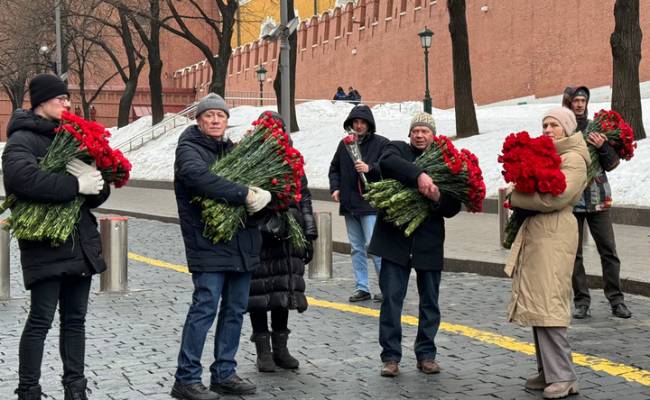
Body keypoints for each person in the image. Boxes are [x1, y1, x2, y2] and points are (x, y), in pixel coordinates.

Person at [2, 73, 109, 400]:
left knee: (75, 321)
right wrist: (75, 185)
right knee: (41, 320)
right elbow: (23, 180)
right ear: (41, 102)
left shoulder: (71, 138)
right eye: (60, 98)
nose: (67, 103)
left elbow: (92, 196)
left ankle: (75, 388)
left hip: (79, 243)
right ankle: (28, 390)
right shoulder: (22, 139)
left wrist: (97, 183)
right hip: (47, 245)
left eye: (67, 98)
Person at [171, 93, 272, 400]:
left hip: (242, 243)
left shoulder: (234, 151)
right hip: (208, 243)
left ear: (227, 121)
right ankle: (186, 378)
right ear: (198, 120)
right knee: (204, 308)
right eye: (209, 115)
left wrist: (263, 202)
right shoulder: (189, 149)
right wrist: (244, 194)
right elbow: (199, 178)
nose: (215, 120)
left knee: (235, 310)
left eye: (221, 116)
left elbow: (260, 189)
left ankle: (224, 372)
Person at [505, 107, 589, 399]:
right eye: (544, 125)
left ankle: (564, 376)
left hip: (554, 234)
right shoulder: (550, 154)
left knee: (550, 305)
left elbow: (557, 197)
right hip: (541, 234)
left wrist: (515, 196)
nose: (548, 129)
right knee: (539, 304)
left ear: (567, 128)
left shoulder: (574, 159)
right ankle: (549, 371)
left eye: (554, 124)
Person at [368, 112, 461, 378]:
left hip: (429, 243)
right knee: (392, 301)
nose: (420, 135)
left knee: (430, 302)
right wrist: (420, 175)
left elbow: (453, 206)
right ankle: (390, 357)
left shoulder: (445, 162)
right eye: (416, 131)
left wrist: (438, 196)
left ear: (434, 136)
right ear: (410, 134)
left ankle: (426, 354)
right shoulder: (396, 148)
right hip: (394, 242)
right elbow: (387, 162)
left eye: (425, 131)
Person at [247, 111, 318, 373]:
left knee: (282, 291)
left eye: (276, 129)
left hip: (288, 234)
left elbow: (304, 195)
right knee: (258, 293)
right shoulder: (250, 159)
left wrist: (309, 230)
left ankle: (281, 348)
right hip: (261, 235)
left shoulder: (291, 158)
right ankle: (262, 351)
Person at [562, 86, 632, 319]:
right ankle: (582, 301)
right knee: (574, 253)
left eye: (583, 100)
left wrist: (603, 147)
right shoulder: (562, 130)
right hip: (571, 199)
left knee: (609, 251)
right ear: (568, 102)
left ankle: (616, 300)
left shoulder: (598, 128)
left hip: (598, 198)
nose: (580, 104)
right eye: (576, 100)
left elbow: (612, 164)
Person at [328, 104, 389, 302]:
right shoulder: (344, 144)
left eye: (362, 122)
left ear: (369, 125)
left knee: (375, 246)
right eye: (356, 122)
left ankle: (387, 288)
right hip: (349, 204)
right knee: (356, 247)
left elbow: (389, 166)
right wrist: (335, 188)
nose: (359, 125)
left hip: (370, 204)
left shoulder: (381, 143)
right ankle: (362, 287)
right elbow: (334, 168)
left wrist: (370, 168)